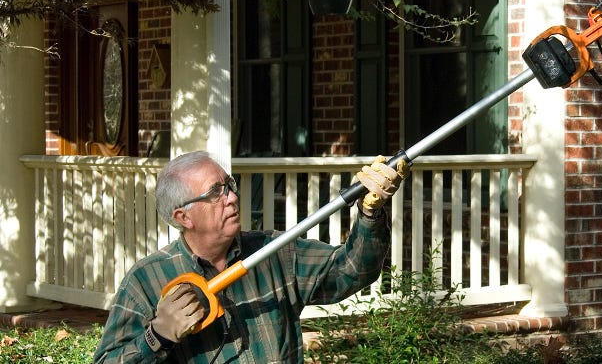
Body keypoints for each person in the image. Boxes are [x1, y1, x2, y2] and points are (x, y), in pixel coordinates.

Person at [94, 150, 406, 363]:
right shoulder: (147, 281)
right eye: (216, 192)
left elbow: (351, 271)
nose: (232, 198)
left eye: (229, 185)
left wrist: (370, 211)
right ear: (183, 216)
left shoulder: (274, 252)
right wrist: (157, 335)